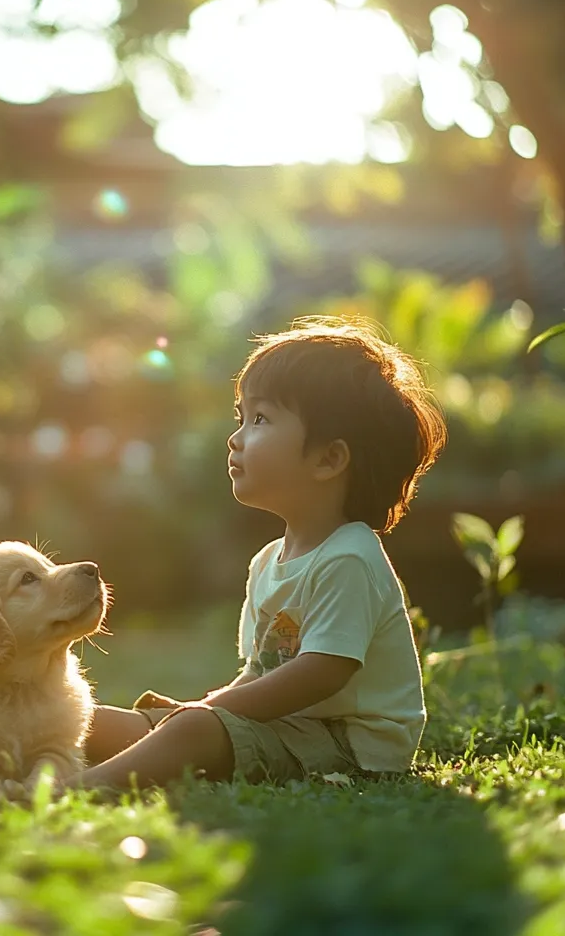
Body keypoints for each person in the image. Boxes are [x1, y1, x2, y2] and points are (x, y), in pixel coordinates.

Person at [63, 315, 448, 793]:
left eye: (260, 419)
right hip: (286, 727)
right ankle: (2, 751)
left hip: (347, 744)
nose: (236, 436)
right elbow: (260, 672)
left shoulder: (350, 556)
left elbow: (321, 673)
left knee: (190, 729)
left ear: (329, 459)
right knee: (93, 718)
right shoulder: (268, 562)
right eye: (240, 417)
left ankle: (77, 786)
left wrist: (206, 712)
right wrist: (202, 706)